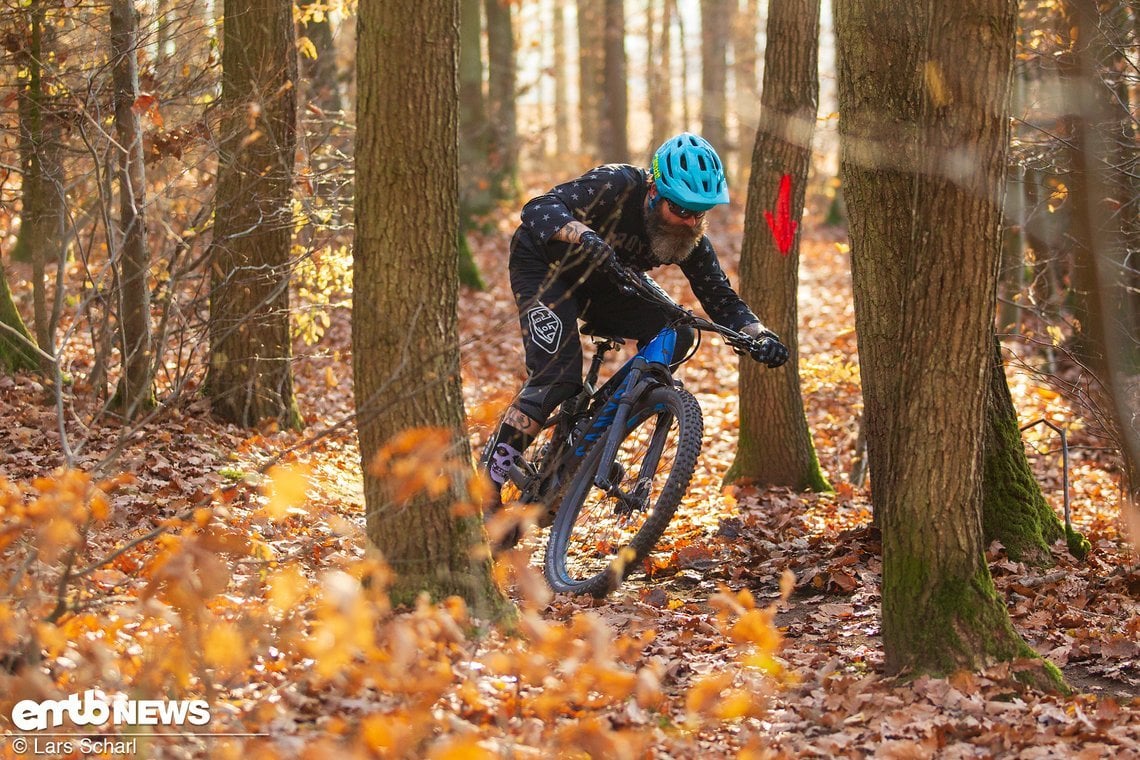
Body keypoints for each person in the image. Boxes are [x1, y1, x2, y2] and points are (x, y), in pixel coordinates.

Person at [481, 132, 788, 529]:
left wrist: (759, 335)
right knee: (557, 377)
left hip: (609, 282)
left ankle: (606, 420)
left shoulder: (691, 237)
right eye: (681, 209)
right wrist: (583, 234)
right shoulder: (617, 184)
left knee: (678, 331)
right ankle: (487, 483)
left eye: (701, 212)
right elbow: (538, 209)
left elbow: (722, 300)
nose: (690, 222)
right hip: (547, 268)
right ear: (654, 191)